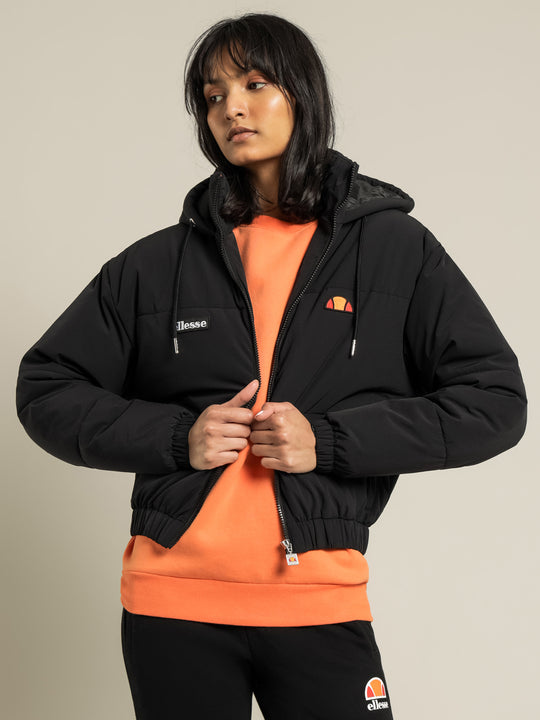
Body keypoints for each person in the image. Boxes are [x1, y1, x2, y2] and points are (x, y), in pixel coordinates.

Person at [16, 12, 527, 720]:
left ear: (302, 94)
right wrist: (177, 438)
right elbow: (46, 387)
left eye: (255, 84)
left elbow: (495, 402)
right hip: (172, 607)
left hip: (318, 599)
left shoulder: (396, 252)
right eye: (213, 94)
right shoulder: (156, 264)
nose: (232, 107)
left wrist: (331, 440)